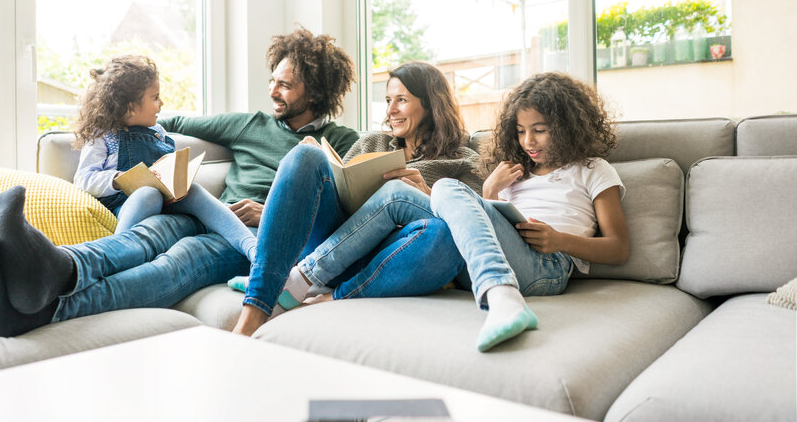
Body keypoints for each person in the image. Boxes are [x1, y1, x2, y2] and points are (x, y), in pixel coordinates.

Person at [0, 28, 359, 337]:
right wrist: (116, 110)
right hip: (205, 215)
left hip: (253, 239)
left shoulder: (341, 143)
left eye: (285, 85)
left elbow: (344, 212)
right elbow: (172, 123)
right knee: (141, 239)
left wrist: (273, 210)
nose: (272, 90)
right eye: (273, 80)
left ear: (317, 92)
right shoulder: (250, 123)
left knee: (173, 265)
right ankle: (56, 267)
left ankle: (47, 307)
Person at [229, 61, 483, 336]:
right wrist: (322, 168)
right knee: (306, 156)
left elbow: (474, 227)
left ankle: (330, 293)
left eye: (401, 100)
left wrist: (428, 195)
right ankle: (254, 311)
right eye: (388, 100)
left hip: (395, 259)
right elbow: (340, 184)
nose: (391, 110)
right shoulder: (372, 143)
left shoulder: (464, 161)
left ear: (431, 105)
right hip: (336, 241)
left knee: (442, 235)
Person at [429, 71, 630, 352]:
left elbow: (619, 249)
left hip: (547, 266)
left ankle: (504, 299)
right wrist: (490, 191)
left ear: (566, 127)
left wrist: (560, 241)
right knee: (410, 197)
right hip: (496, 259)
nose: (528, 142)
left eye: (539, 130)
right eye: (521, 131)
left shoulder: (592, 169)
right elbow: (485, 228)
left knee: (446, 188)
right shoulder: (515, 174)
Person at [71, 55, 256, 275]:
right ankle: (115, 258)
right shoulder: (102, 135)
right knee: (147, 193)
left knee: (193, 190)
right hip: (127, 202)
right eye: (155, 98)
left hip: (166, 198)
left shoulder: (158, 132)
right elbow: (83, 179)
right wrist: (120, 179)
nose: (162, 104)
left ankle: (252, 247)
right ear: (130, 107)